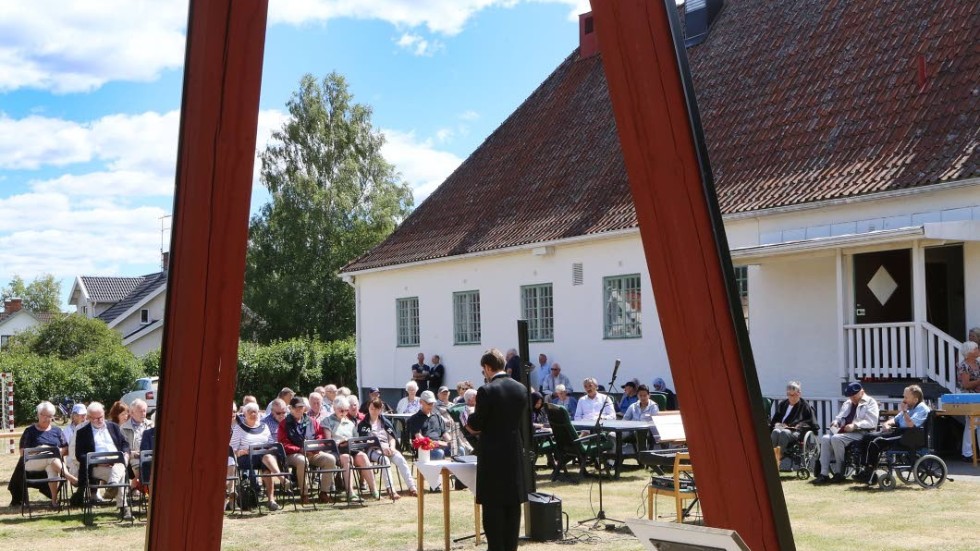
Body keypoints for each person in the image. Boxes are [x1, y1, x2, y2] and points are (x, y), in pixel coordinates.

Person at [467, 348, 528, 551]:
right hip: (514, 454)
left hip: (493, 456)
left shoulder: (487, 390)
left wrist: (467, 419)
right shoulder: (520, 388)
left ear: (487, 367)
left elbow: (477, 423)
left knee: (493, 510)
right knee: (512, 509)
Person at [859, 385, 930, 481]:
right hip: (899, 433)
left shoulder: (922, 409)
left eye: (906, 397)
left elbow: (911, 425)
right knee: (867, 437)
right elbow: (895, 420)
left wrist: (904, 412)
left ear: (915, 399)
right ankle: (864, 468)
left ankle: (870, 472)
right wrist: (887, 424)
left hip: (907, 436)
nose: (903, 400)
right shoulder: (909, 407)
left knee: (876, 441)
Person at [74, 401, 132, 520]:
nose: (99, 420)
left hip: (116, 463)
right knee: (118, 475)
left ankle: (113, 485)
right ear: (89, 418)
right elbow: (80, 455)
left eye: (101, 417)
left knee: (119, 466)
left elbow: (125, 444)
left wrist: (126, 455)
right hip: (96, 467)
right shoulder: (82, 433)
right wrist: (97, 461)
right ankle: (123, 507)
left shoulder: (113, 427)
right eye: (95, 418)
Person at [814, 382, 879, 484]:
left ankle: (839, 472)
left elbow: (872, 421)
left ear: (862, 392)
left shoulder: (870, 402)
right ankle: (824, 474)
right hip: (844, 432)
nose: (852, 398)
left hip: (862, 433)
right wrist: (836, 422)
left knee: (836, 438)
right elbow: (840, 418)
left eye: (854, 396)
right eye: (850, 396)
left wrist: (855, 425)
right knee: (825, 438)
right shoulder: (847, 403)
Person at [277, 396, 336, 504]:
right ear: (290, 408)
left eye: (301, 407)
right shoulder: (284, 424)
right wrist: (299, 449)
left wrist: (315, 447)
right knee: (302, 461)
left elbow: (320, 436)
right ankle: (304, 494)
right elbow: (283, 443)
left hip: (312, 452)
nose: (299, 410)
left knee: (330, 459)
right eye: (297, 408)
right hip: (293, 454)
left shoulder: (312, 421)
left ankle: (324, 493)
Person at [230, 402, 287, 511]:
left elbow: (271, 443)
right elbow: (232, 449)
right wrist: (243, 451)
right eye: (251, 412)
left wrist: (268, 449)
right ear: (245, 414)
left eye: (256, 412)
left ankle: (271, 500)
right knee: (265, 458)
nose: (254, 414)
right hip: (246, 458)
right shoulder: (239, 428)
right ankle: (281, 477)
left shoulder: (264, 426)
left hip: (263, 458)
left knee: (266, 462)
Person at [358, 398, 418, 498]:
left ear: (380, 409)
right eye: (372, 408)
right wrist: (381, 448)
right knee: (384, 460)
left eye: (376, 409)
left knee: (400, 459)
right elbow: (366, 441)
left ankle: (412, 488)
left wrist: (392, 447)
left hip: (388, 448)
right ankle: (391, 490)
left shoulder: (385, 422)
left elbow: (392, 438)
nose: (374, 411)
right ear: (368, 408)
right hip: (372, 449)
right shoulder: (363, 424)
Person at [18, 402, 75, 507]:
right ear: (38, 415)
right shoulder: (29, 431)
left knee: (51, 465)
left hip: (53, 463)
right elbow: (22, 452)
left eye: (48, 416)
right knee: (47, 450)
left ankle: (54, 501)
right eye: (42, 415)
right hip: (32, 463)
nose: (45, 418)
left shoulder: (57, 431)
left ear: (52, 417)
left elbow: (66, 449)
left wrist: (56, 451)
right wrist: (40, 450)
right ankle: (68, 476)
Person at [323, 396, 377, 498]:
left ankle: (374, 490)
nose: (344, 413)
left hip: (351, 448)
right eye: (341, 410)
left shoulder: (350, 422)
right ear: (334, 408)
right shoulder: (327, 421)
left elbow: (356, 438)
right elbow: (328, 442)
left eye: (346, 410)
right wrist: (339, 443)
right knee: (347, 458)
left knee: (363, 456)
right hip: (336, 451)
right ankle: (350, 492)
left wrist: (352, 442)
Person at [769, 381, 816, 471]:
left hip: (795, 432)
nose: (792, 397)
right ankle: (771, 458)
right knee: (775, 431)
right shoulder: (783, 404)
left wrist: (796, 425)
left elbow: (809, 421)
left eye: (794, 395)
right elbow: (775, 419)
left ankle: (776, 459)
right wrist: (777, 424)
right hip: (781, 429)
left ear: (799, 393)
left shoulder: (804, 405)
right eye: (789, 395)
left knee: (784, 432)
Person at [407, 391, 451, 460]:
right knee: (439, 453)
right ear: (421, 402)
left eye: (432, 403)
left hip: (440, 445)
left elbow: (445, 433)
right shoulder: (414, 419)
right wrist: (435, 443)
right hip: (424, 449)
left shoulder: (437, 417)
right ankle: (438, 471)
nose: (431, 406)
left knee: (459, 449)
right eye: (429, 403)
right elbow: (419, 438)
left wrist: (450, 442)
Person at [956, 340, 980, 461]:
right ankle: (967, 453)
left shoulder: (978, 363)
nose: (978, 350)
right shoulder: (963, 365)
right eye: (976, 348)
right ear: (969, 352)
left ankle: (976, 452)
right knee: (971, 424)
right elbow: (966, 385)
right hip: (969, 397)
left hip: (979, 396)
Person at [121, 398, 153, 481]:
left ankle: (137, 485)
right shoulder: (124, 428)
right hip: (134, 457)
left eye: (144, 411)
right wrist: (133, 454)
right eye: (140, 411)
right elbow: (122, 448)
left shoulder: (151, 424)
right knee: (137, 463)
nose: (143, 414)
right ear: (131, 413)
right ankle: (139, 485)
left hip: (150, 455)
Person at [63, 403, 88, 480]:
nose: (83, 417)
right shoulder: (67, 431)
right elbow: (66, 450)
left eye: (85, 414)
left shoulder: (90, 428)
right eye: (80, 415)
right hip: (72, 460)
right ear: (73, 416)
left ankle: (88, 489)